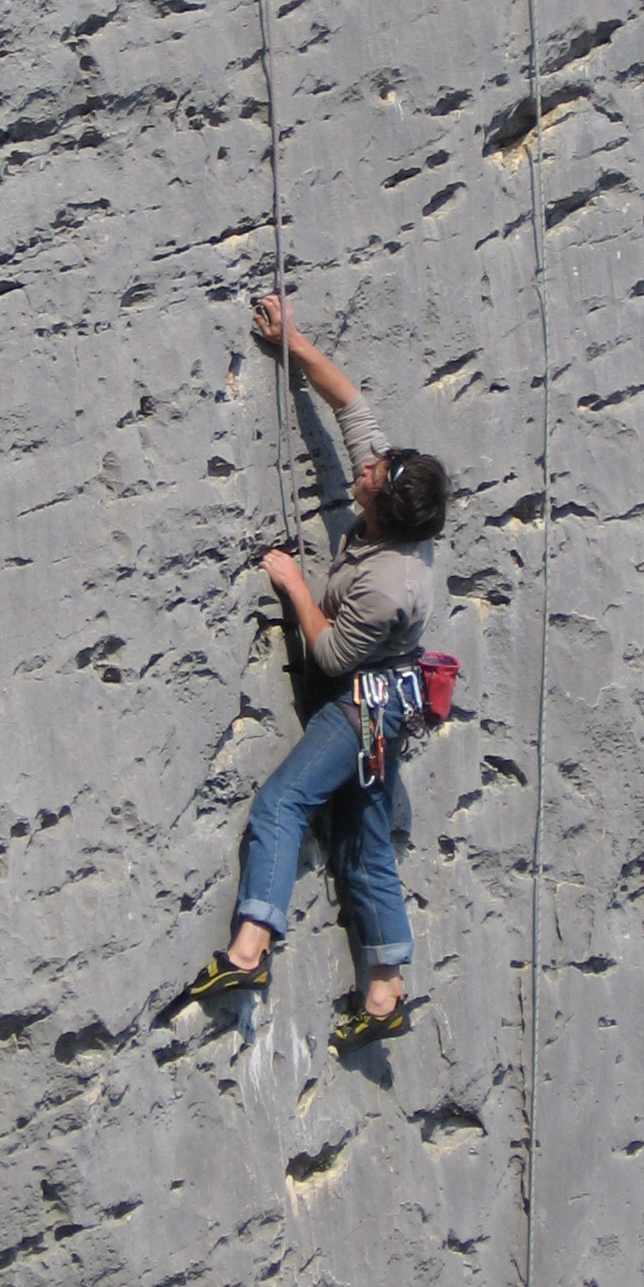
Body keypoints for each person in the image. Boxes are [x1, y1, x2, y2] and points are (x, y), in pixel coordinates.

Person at [182, 294, 449, 1053]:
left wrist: (294, 585)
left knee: (282, 803)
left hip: (367, 707)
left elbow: (330, 657)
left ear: (383, 509)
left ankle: (248, 953)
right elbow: (348, 401)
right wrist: (293, 342)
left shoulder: (390, 582)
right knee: (365, 838)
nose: (362, 468)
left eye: (369, 475)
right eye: (373, 463)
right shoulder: (392, 495)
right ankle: (384, 992)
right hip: (388, 701)